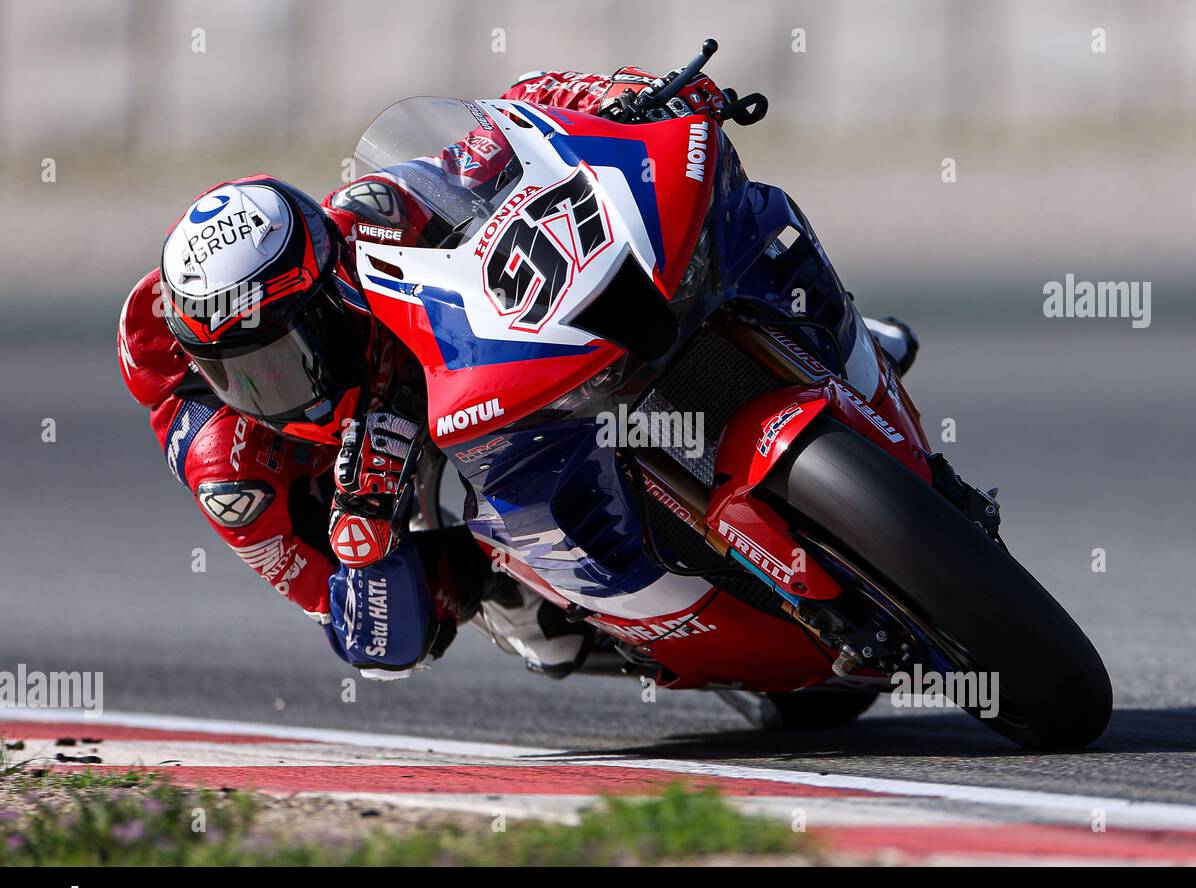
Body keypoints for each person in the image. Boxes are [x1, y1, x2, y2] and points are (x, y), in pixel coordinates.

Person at [117, 64, 918, 682]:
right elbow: (374, 643)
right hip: (423, 511)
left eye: (296, 350)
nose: (287, 383)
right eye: (251, 375)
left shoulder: (360, 217)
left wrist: (618, 96)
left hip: (472, 375)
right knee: (538, 631)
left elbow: (510, 125)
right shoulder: (232, 470)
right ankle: (623, 610)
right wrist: (365, 536)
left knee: (746, 221)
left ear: (329, 281)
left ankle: (836, 352)